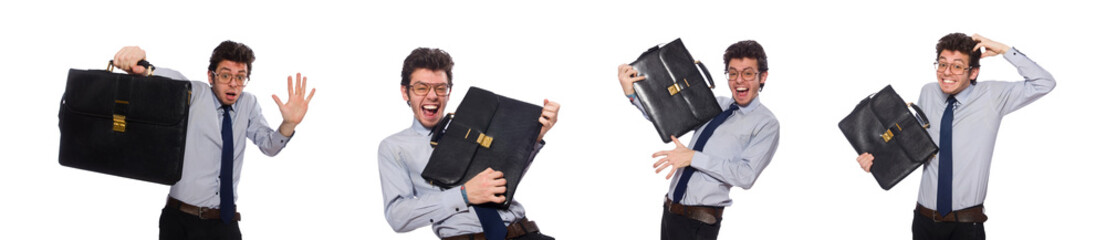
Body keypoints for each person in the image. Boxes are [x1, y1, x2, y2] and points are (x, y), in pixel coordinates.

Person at [856, 33, 1055, 239]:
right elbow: (914, 145)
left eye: (957, 66)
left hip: (966, 227)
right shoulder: (928, 92)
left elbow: (1045, 83)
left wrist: (1004, 49)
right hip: (923, 221)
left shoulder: (993, 96)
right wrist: (877, 160)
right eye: (942, 64)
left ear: (974, 72)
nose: (946, 72)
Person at [111, 40, 317, 240]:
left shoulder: (249, 104)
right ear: (211, 76)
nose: (233, 84)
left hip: (224, 224)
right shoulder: (194, 94)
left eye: (240, 77)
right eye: (225, 75)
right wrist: (143, 65)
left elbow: (270, 146)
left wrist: (289, 124)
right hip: (179, 221)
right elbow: (169, 78)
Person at [378, 47, 559, 240]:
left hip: (526, 233)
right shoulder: (394, 147)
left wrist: (534, 137)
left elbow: (506, 181)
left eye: (440, 88)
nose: (432, 96)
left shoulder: (476, 127)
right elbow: (397, 216)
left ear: (449, 92)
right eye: (422, 87)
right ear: (405, 92)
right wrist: (464, 195)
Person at [617, 40, 780, 240]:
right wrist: (632, 95)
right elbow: (668, 118)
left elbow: (745, 176)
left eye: (747, 73)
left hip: (699, 224)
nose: (739, 80)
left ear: (762, 76)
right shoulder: (717, 104)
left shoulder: (766, 123)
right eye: (732, 73)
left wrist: (693, 158)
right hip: (670, 213)